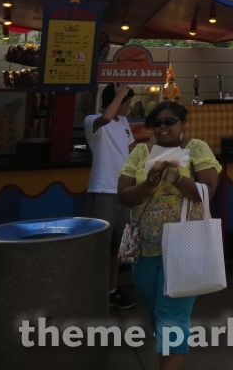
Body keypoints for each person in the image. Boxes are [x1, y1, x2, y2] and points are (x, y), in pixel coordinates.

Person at [117, 102, 221, 367]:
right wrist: (149, 182)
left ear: (182, 123)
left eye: (169, 121)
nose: (163, 127)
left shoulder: (196, 148)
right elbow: (124, 196)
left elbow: (207, 191)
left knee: (171, 317)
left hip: (185, 247)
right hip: (145, 248)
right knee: (157, 315)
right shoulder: (140, 152)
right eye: (157, 122)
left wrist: (177, 179)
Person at [84, 82, 136, 309]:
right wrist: (120, 94)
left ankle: (112, 291)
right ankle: (94, 292)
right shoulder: (92, 120)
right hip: (102, 190)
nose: (129, 107)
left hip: (123, 191)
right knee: (99, 246)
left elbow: (130, 149)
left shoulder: (123, 122)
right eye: (127, 102)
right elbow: (106, 117)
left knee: (118, 246)